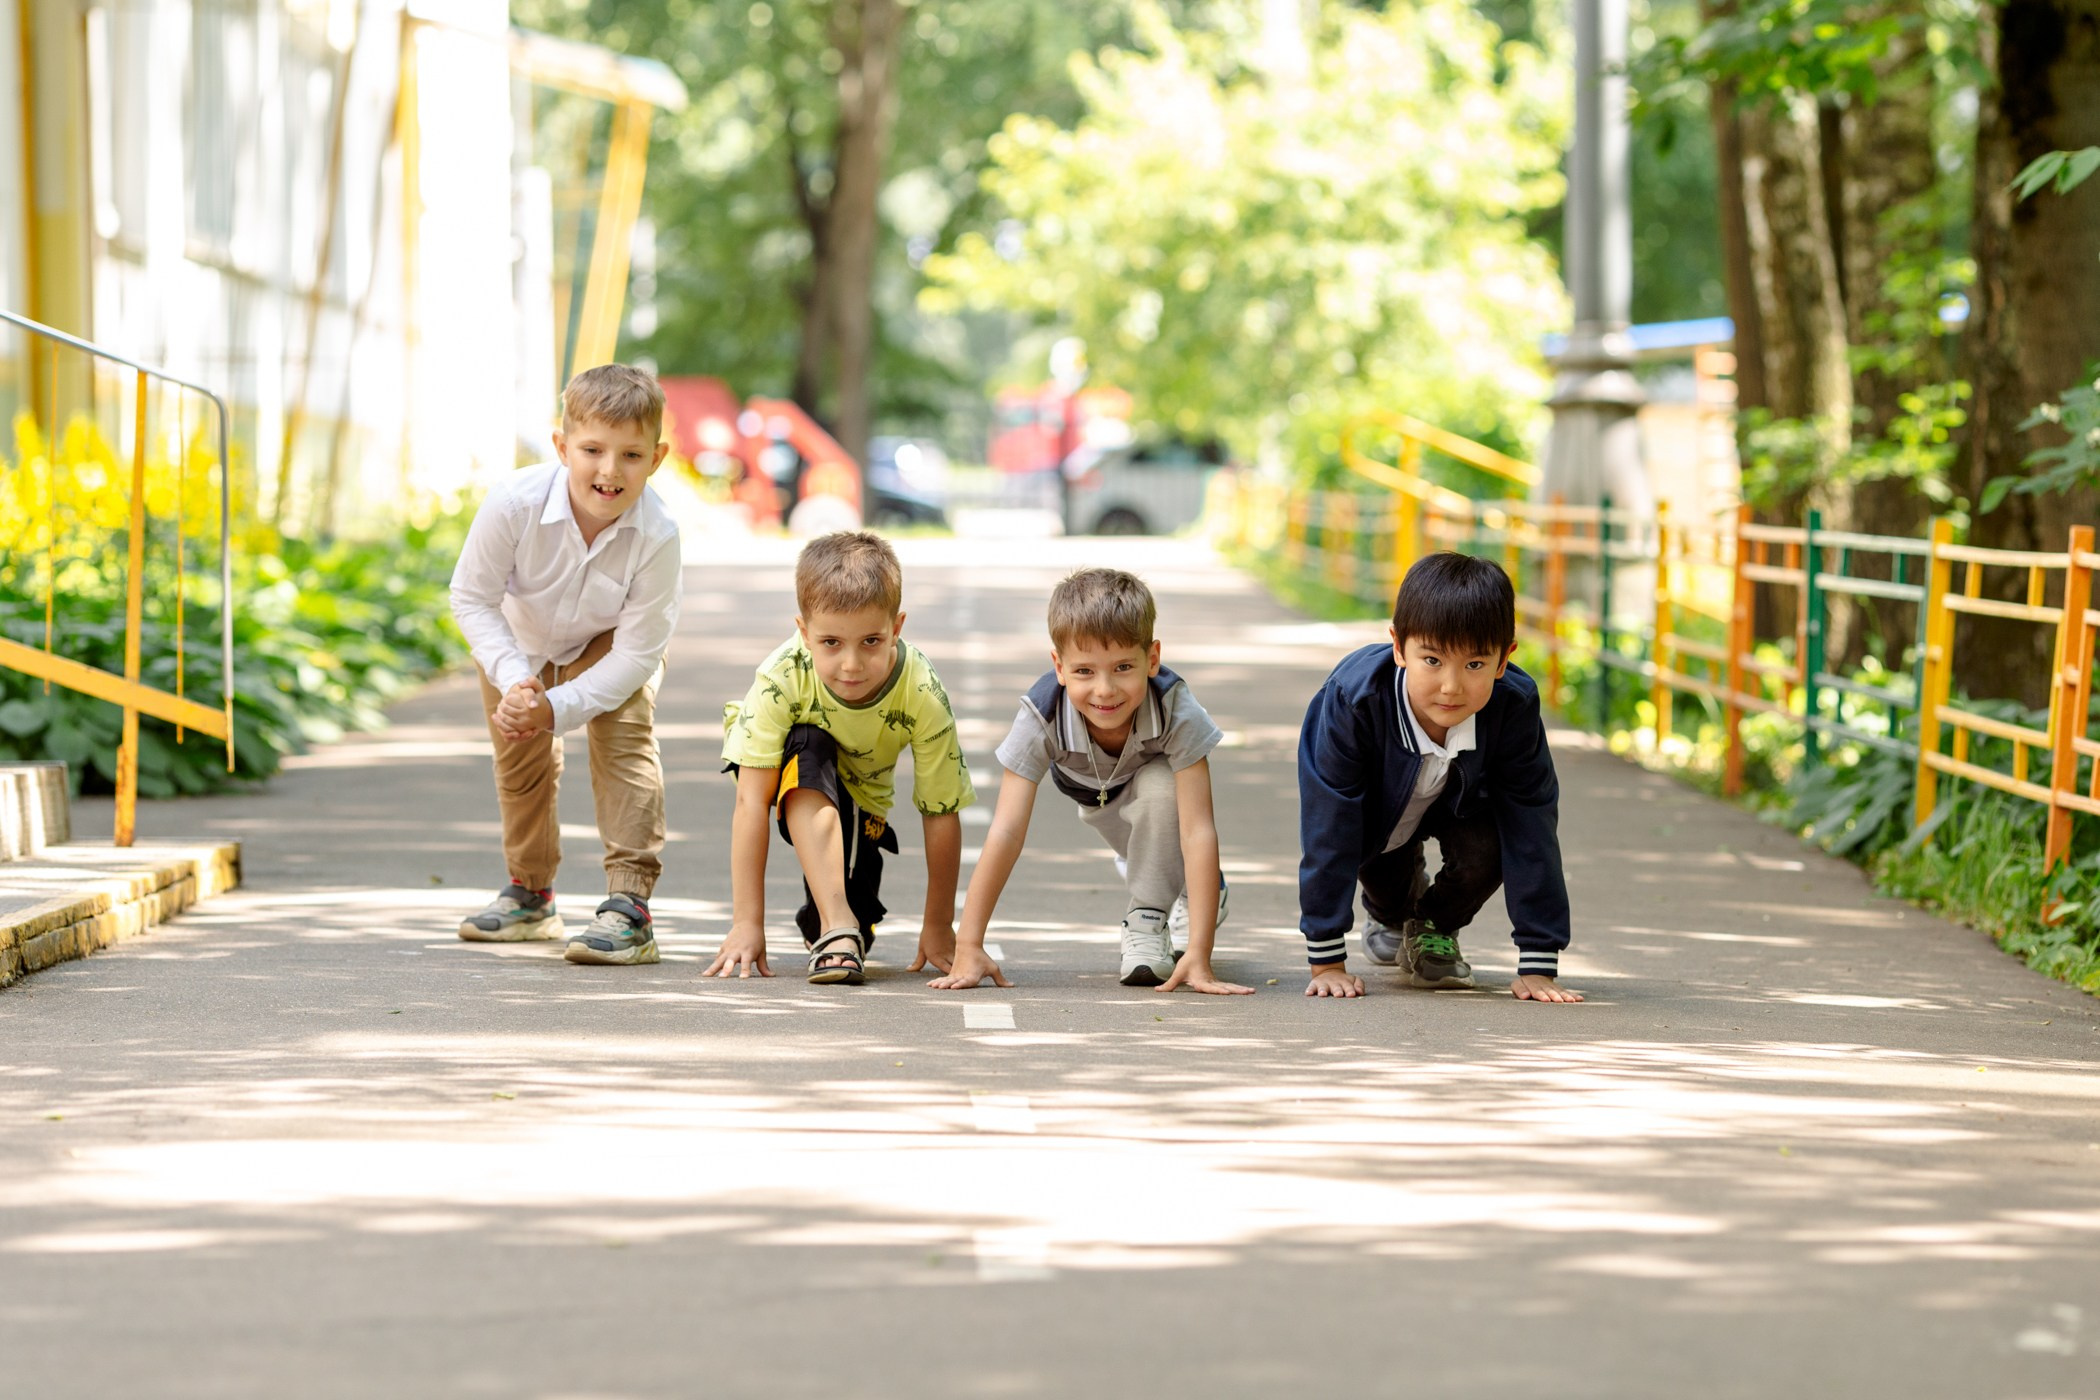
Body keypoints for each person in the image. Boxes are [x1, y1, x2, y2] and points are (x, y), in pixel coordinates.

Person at [449, 363, 682, 965]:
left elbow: (637, 652)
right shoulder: (513, 504)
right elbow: (472, 597)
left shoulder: (657, 534)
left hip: (611, 645)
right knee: (519, 758)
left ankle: (630, 907)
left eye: (631, 455)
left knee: (623, 740)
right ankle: (531, 895)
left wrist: (560, 706)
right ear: (561, 447)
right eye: (592, 450)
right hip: (517, 642)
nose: (610, 471)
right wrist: (515, 682)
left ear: (655, 459)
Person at [932, 567, 1250, 995]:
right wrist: (968, 944)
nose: (1104, 689)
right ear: (1059, 667)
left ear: (1152, 659)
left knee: (1159, 787)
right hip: (1097, 797)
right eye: (1084, 671)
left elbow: (1196, 829)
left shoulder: (1177, 709)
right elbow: (1006, 830)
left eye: (1122, 667)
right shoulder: (1040, 715)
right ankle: (1185, 886)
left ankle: (1149, 914)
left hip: (1160, 796)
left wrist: (1200, 955)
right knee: (1151, 834)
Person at [1297, 551, 1581, 1003]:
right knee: (1386, 885)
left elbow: (1531, 819)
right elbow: (1328, 824)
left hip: (1464, 804)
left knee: (1497, 843)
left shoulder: (1513, 706)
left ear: (1504, 659)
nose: (1451, 686)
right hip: (1377, 813)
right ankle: (1391, 914)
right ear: (1398, 646)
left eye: (1474, 665)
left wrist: (1538, 961)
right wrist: (1327, 960)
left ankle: (1433, 926)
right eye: (1431, 660)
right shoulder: (1354, 701)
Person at [708, 531, 973, 985]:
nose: (851, 664)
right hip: (789, 782)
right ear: (804, 632)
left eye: (871, 641)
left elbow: (940, 809)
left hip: (864, 805)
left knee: (855, 919)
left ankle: (834, 922)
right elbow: (751, 801)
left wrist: (938, 926)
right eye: (831, 642)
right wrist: (746, 923)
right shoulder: (782, 676)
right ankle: (837, 925)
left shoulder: (921, 689)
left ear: (897, 627)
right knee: (809, 743)